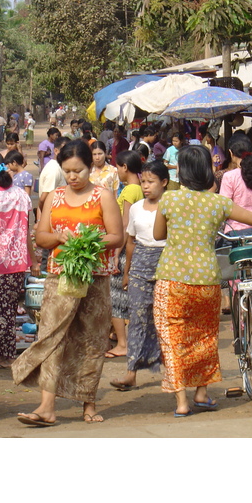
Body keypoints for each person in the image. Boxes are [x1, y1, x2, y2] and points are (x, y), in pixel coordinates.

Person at [152, 145, 252, 417]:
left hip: (172, 280)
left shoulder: (168, 201)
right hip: (207, 281)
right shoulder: (218, 203)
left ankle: (181, 402)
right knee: (204, 338)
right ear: (208, 170)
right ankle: (202, 394)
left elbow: (159, 235)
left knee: (173, 339)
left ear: (180, 171)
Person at [12, 140, 124, 426]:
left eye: (79, 171)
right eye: (68, 171)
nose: (73, 177)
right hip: (59, 276)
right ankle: (47, 407)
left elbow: (116, 237)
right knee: (52, 335)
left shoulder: (104, 196)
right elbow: (41, 236)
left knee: (91, 339)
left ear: (91, 167)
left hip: (95, 277)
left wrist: (89, 240)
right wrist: (60, 238)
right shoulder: (54, 197)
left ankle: (89, 403)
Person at [110, 161, 168, 391]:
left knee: (166, 319)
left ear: (163, 183)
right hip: (140, 267)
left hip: (166, 263)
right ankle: (130, 372)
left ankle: (172, 372)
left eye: (151, 182)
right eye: (143, 181)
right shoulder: (135, 208)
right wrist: (127, 272)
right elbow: (131, 242)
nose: (146, 186)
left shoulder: (172, 205)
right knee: (137, 318)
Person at [0, 151, 39, 369]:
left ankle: (5, 355)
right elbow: (26, 231)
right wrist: (33, 261)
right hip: (17, 262)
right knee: (7, 309)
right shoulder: (21, 195)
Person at [106, 149, 144, 359]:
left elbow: (124, 224)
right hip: (136, 246)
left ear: (125, 167)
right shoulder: (140, 188)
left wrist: (115, 253)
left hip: (124, 248)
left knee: (116, 297)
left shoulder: (129, 191)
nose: (117, 171)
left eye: (118, 167)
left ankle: (122, 343)